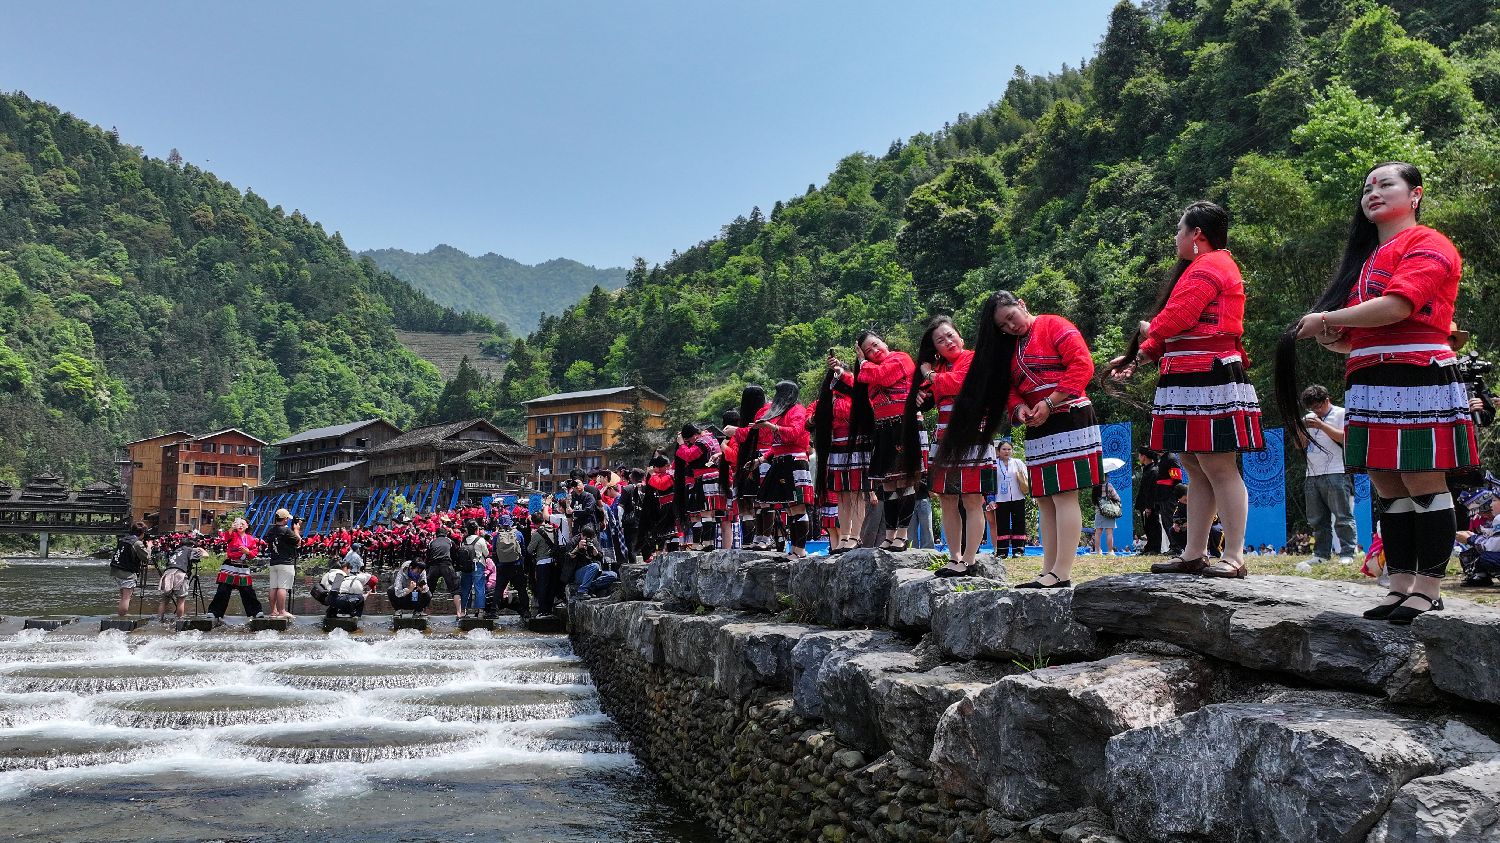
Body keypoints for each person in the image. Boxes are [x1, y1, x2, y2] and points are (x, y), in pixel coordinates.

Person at [1279, 161, 1475, 624]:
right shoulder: (1366, 260)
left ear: (1415, 195)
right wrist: (1331, 336)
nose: (1373, 193)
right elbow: (1357, 335)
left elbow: (1398, 307)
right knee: (1387, 482)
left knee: (1422, 479)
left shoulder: (1429, 243)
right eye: (1368, 187)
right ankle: (1399, 583)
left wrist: (1327, 320)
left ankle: (1428, 588)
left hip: (1417, 372)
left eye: (1386, 184)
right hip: (1369, 377)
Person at [1109, 200, 1262, 578]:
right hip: (1187, 374)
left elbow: (1178, 318)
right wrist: (1138, 357)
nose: (1176, 237)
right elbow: (1177, 329)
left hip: (1208, 373)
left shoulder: (1212, 265)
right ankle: (1194, 552)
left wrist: (1148, 330)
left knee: (1218, 465)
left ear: (1197, 234)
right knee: (1195, 465)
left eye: (1179, 229)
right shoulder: (1203, 267)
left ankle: (1235, 556)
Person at [939, 290, 1102, 589]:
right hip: (1038, 421)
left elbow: (1082, 364)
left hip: (1069, 413)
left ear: (1022, 304)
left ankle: (1062, 572)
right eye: (1003, 325)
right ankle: (1048, 570)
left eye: (1011, 317)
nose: (1011, 326)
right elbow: (1012, 389)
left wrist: (1050, 402)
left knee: (1064, 494)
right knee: (1044, 498)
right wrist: (1019, 409)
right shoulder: (1011, 347)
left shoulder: (1054, 324)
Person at [908, 315, 994, 575]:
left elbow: (957, 383)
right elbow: (926, 394)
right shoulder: (940, 368)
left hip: (973, 436)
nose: (947, 341)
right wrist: (921, 394)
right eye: (940, 340)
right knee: (947, 498)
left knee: (972, 498)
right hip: (945, 437)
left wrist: (928, 373)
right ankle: (954, 557)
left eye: (950, 335)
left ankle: (969, 559)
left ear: (961, 337)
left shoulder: (973, 359)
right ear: (935, 348)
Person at [828, 331, 921, 550]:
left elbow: (883, 377)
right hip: (883, 428)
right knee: (888, 483)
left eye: (876, 345)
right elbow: (858, 387)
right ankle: (889, 536)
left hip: (903, 425)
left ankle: (902, 535)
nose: (875, 351)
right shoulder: (868, 370)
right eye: (869, 351)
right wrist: (840, 371)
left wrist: (862, 361)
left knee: (904, 482)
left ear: (884, 343)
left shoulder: (900, 358)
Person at [1296, 384, 1358, 570]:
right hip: (1312, 473)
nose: (1315, 411)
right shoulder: (1308, 418)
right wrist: (1299, 428)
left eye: (1317, 406)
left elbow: (1345, 438)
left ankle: (1348, 552)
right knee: (1317, 519)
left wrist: (1321, 425)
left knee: (1342, 516)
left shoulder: (1341, 413)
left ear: (1326, 400)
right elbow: (1299, 445)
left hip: (1337, 471)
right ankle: (1321, 554)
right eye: (1311, 408)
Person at [814, 363, 874, 553]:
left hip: (856, 446)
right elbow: (812, 417)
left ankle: (856, 536)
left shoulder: (859, 393)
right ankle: (845, 536)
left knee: (856, 493)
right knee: (841, 495)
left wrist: (843, 375)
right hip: (836, 448)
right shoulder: (828, 398)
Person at [754, 381, 816, 557]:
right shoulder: (782, 413)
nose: (775, 398)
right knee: (790, 508)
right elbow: (777, 445)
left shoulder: (798, 411)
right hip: (781, 461)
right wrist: (761, 460)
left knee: (798, 507)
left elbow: (794, 433)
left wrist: (771, 426)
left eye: (778, 394)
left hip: (795, 461)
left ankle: (800, 550)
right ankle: (794, 550)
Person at [674, 423, 724, 550]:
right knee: (709, 512)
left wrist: (681, 444)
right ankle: (708, 542)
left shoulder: (702, 442)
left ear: (695, 434)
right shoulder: (711, 438)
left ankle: (706, 543)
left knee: (705, 511)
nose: (690, 442)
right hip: (713, 477)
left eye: (689, 439)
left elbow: (689, 456)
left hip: (705, 477)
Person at [207, 517, 264, 622]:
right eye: (239, 523)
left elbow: (254, 553)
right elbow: (224, 538)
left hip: (243, 566)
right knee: (223, 590)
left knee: (248, 591)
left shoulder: (251, 538)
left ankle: (256, 612)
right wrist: (231, 528)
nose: (240, 525)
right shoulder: (232, 534)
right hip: (230, 565)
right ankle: (214, 612)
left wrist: (247, 552)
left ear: (247, 526)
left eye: (243, 524)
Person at [987, 439, 1029, 558]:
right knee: (1002, 525)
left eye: (1009, 449)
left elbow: (1026, 477)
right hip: (1001, 499)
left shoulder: (1018, 462)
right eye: (1004, 449)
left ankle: (1018, 550)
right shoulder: (994, 464)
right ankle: (1002, 551)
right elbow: (990, 483)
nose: (1006, 451)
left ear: (1012, 451)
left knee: (1019, 523)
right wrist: (990, 499)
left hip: (1018, 497)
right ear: (998, 451)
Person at [263, 509, 301, 621]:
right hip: (286, 562)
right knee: (282, 587)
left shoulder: (271, 531)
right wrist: (296, 530)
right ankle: (282, 611)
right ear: (285, 519)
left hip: (274, 562)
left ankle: (273, 611)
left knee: (273, 587)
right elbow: (298, 542)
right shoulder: (286, 530)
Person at [639, 453, 678, 560]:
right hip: (663, 506)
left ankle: (674, 554)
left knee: (672, 533)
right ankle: (664, 554)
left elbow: (661, 485)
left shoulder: (670, 475)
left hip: (671, 506)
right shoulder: (659, 475)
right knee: (665, 534)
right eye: (666, 466)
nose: (669, 467)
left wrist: (653, 474)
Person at [109, 521, 152, 618]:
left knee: (123, 596)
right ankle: (121, 618)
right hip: (127, 573)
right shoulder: (137, 543)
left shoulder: (124, 539)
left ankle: (122, 614)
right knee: (126, 597)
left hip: (116, 571)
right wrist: (149, 547)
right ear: (142, 533)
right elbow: (146, 557)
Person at [156, 535, 202, 623]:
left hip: (167, 573)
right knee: (181, 600)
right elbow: (205, 555)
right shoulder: (190, 550)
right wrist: (199, 549)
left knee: (164, 600)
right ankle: (180, 622)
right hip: (180, 573)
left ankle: (158, 621)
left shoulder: (175, 551)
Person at [490, 514, 528, 619]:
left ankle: (494, 611)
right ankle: (525, 611)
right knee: (521, 589)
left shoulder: (497, 536)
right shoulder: (518, 534)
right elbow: (523, 550)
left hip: (502, 566)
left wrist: (498, 563)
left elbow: (494, 552)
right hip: (516, 565)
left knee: (499, 589)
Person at [528, 511, 563, 617]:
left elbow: (529, 550)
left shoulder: (537, 534)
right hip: (554, 562)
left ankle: (542, 611)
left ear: (534, 523)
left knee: (542, 587)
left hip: (542, 563)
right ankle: (549, 610)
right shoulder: (553, 530)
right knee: (551, 586)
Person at [425, 526, 463, 617]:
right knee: (455, 590)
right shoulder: (450, 541)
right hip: (446, 565)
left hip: (434, 566)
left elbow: (428, 557)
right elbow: (455, 555)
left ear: (436, 534)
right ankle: (459, 612)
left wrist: (427, 569)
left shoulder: (431, 542)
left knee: (428, 589)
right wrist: (455, 567)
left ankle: (424, 610)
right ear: (446, 534)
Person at [456, 520, 490, 617]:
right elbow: (486, 553)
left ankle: (463, 610)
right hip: (478, 565)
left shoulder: (464, 540)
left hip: (466, 566)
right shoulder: (480, 540)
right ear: (476, 530)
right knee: (479, 588)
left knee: (465, 588)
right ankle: (480, 611)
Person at [1091, 479, 1122, 555]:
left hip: (1098, 512)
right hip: (1109, 512)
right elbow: (1117, 498)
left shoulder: (1095, 487)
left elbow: (1093, 500)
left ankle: (1098, 551)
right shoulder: (1109, 486)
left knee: (1098, 533)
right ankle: (1110, 551)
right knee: (1109, 533)